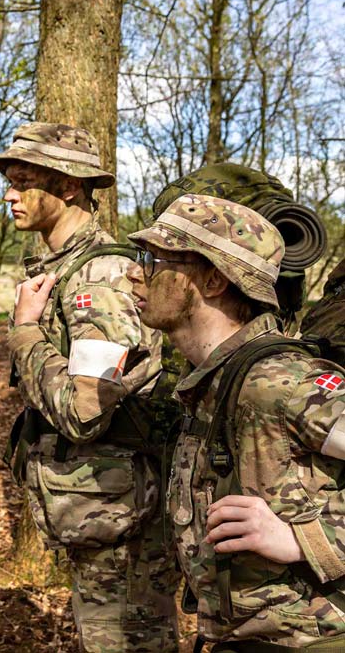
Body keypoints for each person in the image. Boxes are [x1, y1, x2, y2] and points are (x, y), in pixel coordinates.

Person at [125, 190, 345, 648]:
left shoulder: (277, 382)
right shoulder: (211, 380)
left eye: (153, 259)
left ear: (212, 281)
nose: (133, 272)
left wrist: (303, 538)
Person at [0, 122, 179, 651]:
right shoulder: (64, 267)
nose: (9, 194)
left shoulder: (99, 278)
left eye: (23, 180)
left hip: (122, 522)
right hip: (101, 509)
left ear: (70, 186)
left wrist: (25, 332)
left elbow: (84, 411)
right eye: (9, 180)